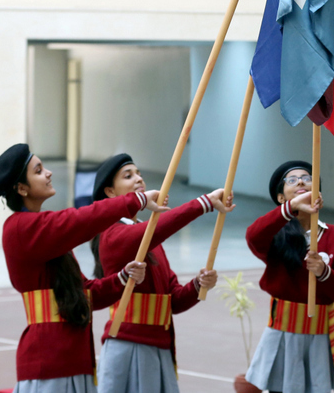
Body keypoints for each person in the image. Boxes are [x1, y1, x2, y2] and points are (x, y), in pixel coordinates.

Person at [0, 143, 166, 393]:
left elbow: (87, 294)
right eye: (39, 171)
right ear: (21, 188)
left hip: (75, 360)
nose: (49, 173)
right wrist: (135, 200)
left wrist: (122, 278)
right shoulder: (19, 228)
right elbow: (80, 220)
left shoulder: (45, 233)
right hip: (48, 362)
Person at [90, 153, 235, 393]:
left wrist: (198, 284)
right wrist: (204, 203)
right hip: (128, 344)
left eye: (139, 174)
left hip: (161, 345)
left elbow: (174, 301)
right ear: (110, 192)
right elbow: (158, 228)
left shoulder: (149, 237)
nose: (139, 179)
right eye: (128, 176)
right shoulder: (112, 234)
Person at [242, 160, 334, 393]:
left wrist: (324, 272)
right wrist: (291, 208)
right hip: (283, 333)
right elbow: (253, 236)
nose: (302, 181)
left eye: (307, 178)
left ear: (318, 194)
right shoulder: (276, 235)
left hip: (320, 335)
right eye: (291, 180)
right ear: (282, 198)